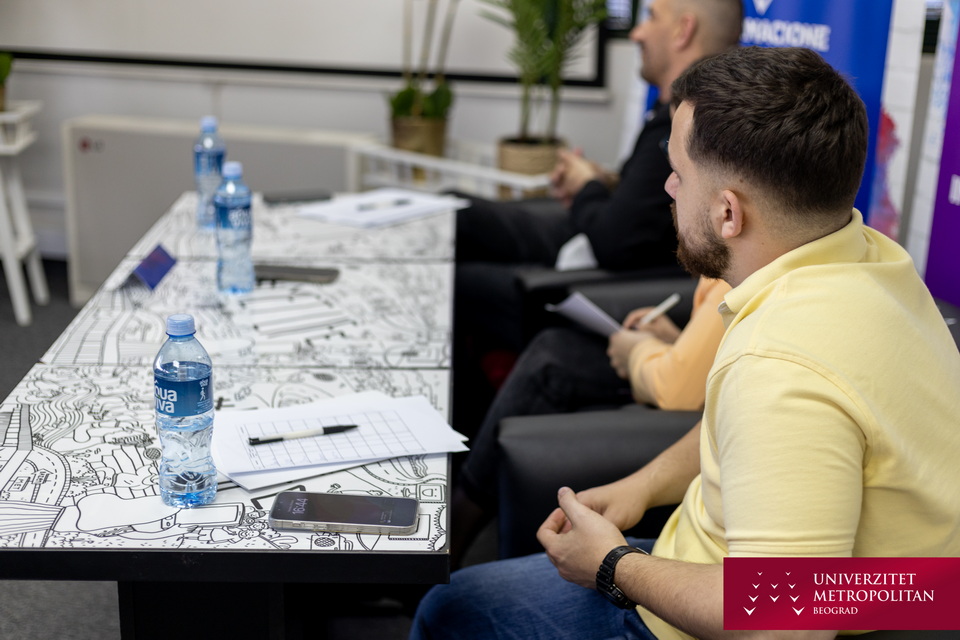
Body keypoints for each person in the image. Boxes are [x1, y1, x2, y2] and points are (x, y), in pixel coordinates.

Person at [412, 46, 960, 640]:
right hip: (781, 582)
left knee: (448, 610)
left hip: (718, 616)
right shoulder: (872, 260)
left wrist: (613, 566)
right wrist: (643, 485)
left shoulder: (779, 365)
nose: (669, 187)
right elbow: (748, 436)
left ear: (728, 213)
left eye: (679, 172)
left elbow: (784, 624)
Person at [452, 0, 744, 437]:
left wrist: (591, 188)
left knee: (462, 279)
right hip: (600, 254)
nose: (636, 33)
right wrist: (604, 184)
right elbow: (641, 207)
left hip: (602, 268)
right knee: (457, 212)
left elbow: (619, 237)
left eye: (650, 17)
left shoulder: (697, 125)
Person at [448, 275, 729, 566]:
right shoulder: (746, 305)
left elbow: (756, 587)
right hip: (686, 566)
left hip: (686, 574)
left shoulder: (749, 308)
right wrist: (640, 488)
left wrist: (618, 570)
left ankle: (455, 525)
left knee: (453, 595)